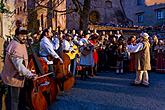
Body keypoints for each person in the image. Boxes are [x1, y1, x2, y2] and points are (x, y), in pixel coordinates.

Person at [0, 27, 38, 110]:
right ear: (17, 35)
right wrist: (30, 74)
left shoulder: (17, 42)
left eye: (25, 35)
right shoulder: (16, 46)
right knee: (15, 100)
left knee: (16, 99)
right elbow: (19, 66)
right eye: (22, 35)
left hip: (13, 76)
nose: (24, 37)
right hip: (14, 77)